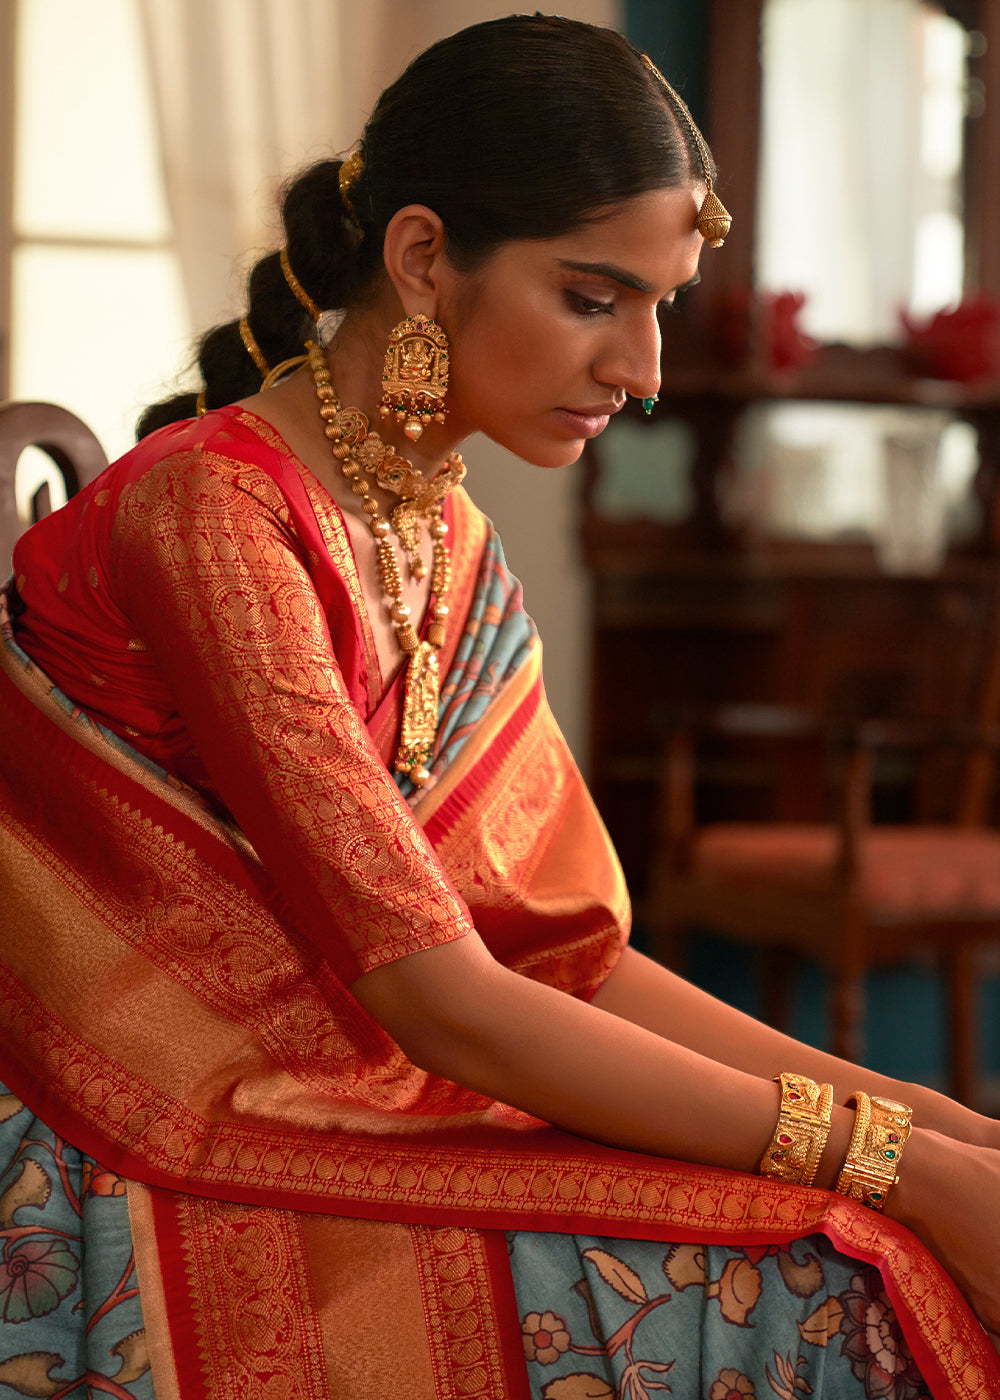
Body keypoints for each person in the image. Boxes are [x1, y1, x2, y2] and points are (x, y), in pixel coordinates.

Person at [0, 14, 998, 1399]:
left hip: (373, 1078)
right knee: (839, 1266)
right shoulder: (216, 516)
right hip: (159, 1124)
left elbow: (563, 957)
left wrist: (946, 1135)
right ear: (421, 260)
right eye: (594, 300)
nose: (643, 369)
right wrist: (897, 1165)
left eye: (660, 308)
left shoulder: (439, 531)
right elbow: (452, 1005)